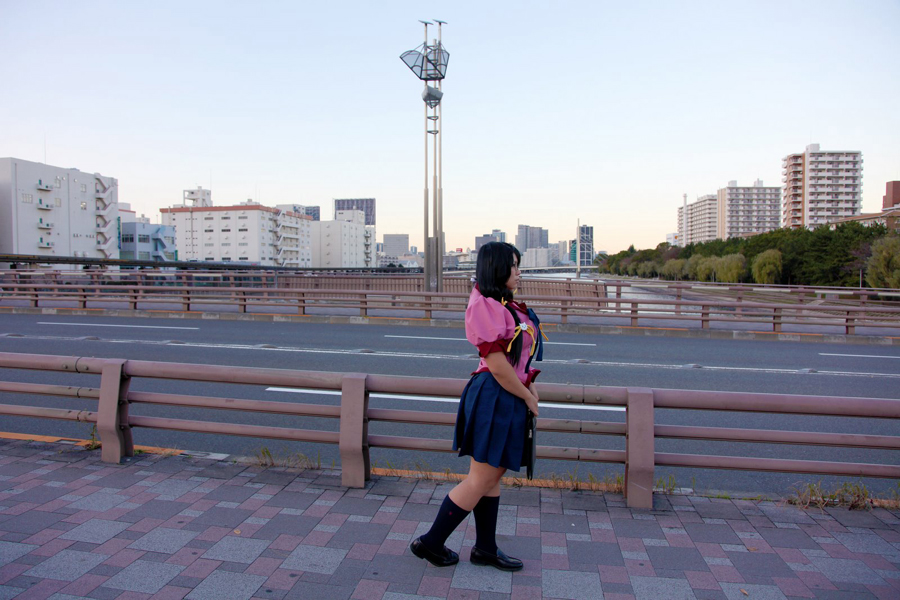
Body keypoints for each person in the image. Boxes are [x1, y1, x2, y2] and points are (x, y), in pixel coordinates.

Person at [410, 241, 545, 571]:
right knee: (482, 478)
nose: (519, 272)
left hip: (504, 392)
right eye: (514, 266)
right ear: (497, 269)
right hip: (496, 394)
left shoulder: (501, 304)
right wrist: (527, 395)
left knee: (490, 476)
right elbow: (497, 363)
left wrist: (529, 385)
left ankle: (485, 547)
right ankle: (431, 542)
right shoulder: (486, 305)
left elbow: (515, 359)